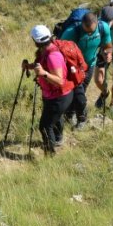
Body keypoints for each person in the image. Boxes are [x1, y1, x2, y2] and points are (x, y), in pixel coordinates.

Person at [22, 25, 73, 153]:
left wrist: (44, 73)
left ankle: (49, 155)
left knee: (45, 126)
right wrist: (30, 66)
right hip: (55, 96)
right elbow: (41, 65)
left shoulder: (52, 56)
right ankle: (58, 139)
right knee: (55, 118)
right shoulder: (46, 50)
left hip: (59, 97)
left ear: (36, 41)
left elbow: (60, 81)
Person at [59, 11, 111, 128]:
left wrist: (108, 53)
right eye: (86, 31)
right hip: (73, 69)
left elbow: (108, 46)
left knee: (80, 92)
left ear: (97, 23)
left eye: (91, 32)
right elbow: (59, 52)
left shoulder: (103, 27)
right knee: (78, 94)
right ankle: (81, 118)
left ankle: (70, 114)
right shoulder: (71, 32)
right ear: (81, 24)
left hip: (90, 65)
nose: (88, 34)